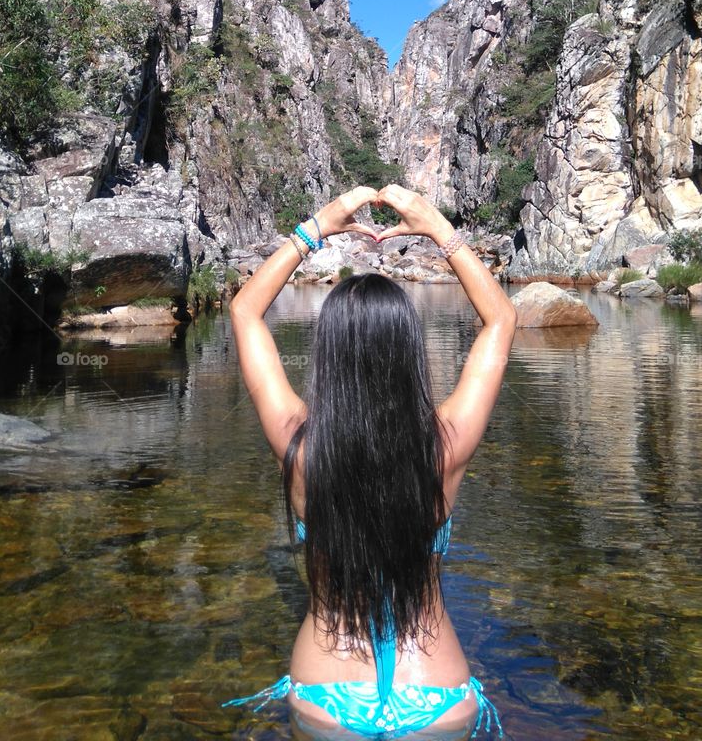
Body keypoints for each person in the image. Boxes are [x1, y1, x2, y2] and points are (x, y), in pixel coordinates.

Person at [220, 184, 516, 739]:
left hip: (325, 694)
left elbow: (246, 312)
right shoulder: (444, 445)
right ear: (410, 353)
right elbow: (500, 321)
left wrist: (320, 225)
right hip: (436, 690)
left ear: (327, 354)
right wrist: (435, 226)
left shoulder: (300, 445)